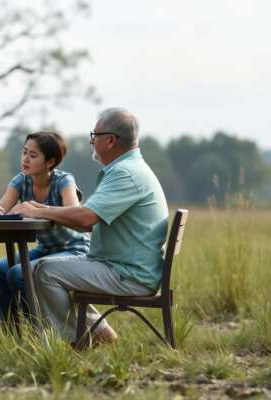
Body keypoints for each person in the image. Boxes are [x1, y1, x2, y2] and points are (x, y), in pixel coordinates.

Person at [12, 108, 169, 346]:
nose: (91, 141)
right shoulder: (128, 169)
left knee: (44, 270)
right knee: (39, 268)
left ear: (111, 140)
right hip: (120, 265)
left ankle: (71, 343)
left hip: (127, 273)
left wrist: (38, 210)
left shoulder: (125, 173)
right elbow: (88, 222)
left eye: (94, 135)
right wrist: (43, 210)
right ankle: (99, 332)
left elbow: (86, 219)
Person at [0, 131, 90, 323]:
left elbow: (74, 211)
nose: (25, 159)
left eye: (33, 155)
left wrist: (39, 209)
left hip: (74, 249)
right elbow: (2, 212)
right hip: (45, 250)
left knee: (18, 274)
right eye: (24, 152)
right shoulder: (21, 180)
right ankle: (12, 334)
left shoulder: (64, 181)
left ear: (50, 162)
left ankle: (42, 329)